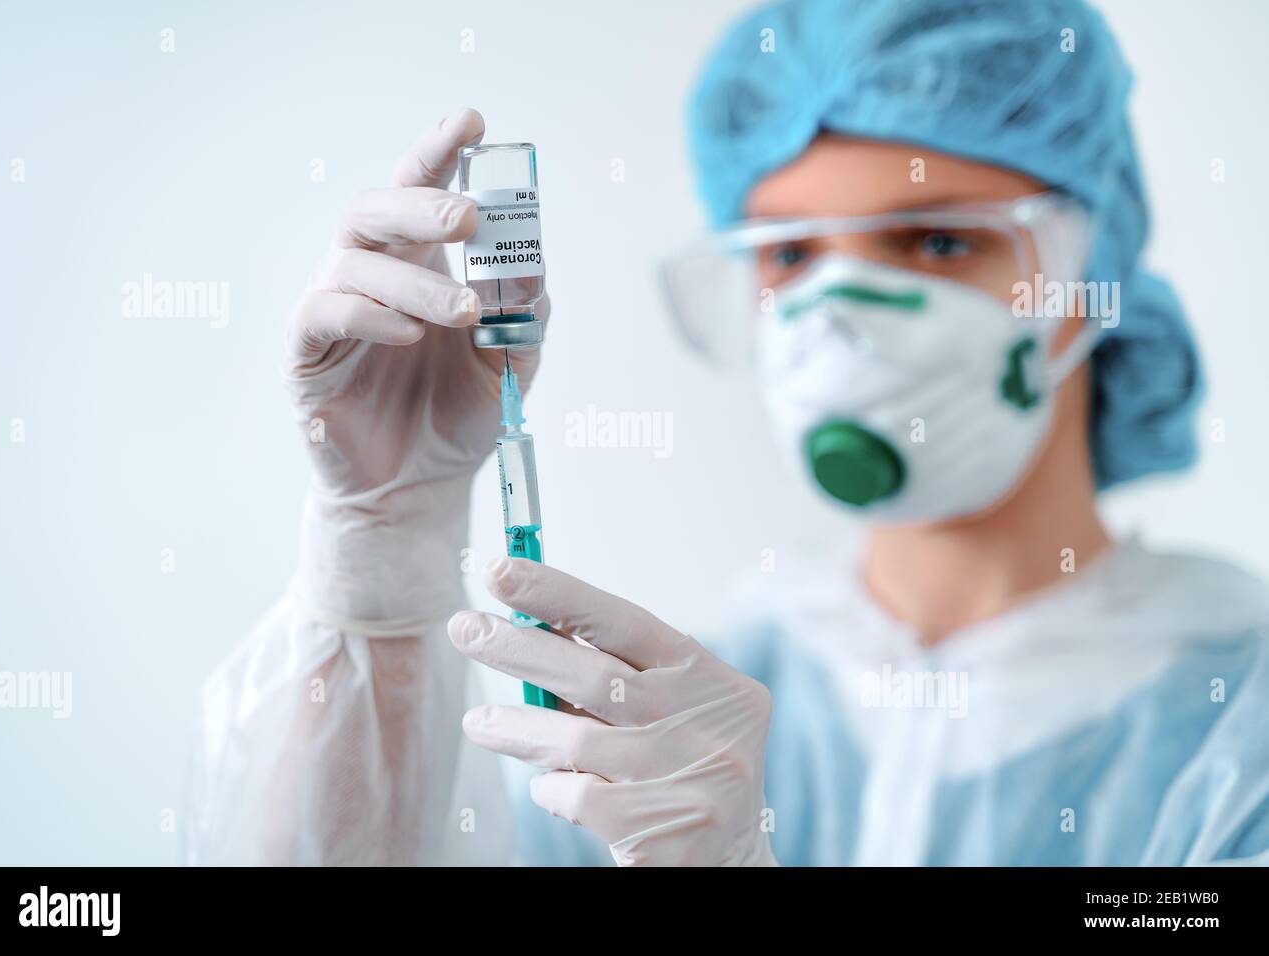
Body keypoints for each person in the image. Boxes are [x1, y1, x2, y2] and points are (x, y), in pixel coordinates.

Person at [187, 0, 1269, 866]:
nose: (839, 317)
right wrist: (382, 555)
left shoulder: (1235, 737)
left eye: (939, 240)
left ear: (1089, 281)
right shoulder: (662, 727)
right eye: (790, 256)